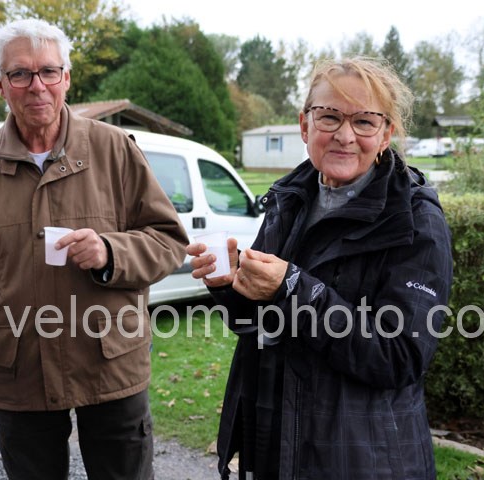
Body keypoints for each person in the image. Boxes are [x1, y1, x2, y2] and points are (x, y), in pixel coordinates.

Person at [0, 18, 188, 480]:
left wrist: (110, 253)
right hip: (20, 371)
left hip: (111, 365)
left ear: (66, 78)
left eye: (48, 71)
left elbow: (168, 240)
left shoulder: (115, 150)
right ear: (0, 85)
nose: (36, 85)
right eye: (20, 73)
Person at [187, 57, 453, 479]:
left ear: (385, 134)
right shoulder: (290, 200)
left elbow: (400, 356)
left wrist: (293, 288)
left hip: (360, 461)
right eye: (329, 116)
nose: (345, 135)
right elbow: (256, 324)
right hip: (275, 444)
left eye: (364, 121)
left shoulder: (414, 219)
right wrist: (231, 283)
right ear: (305, 125)